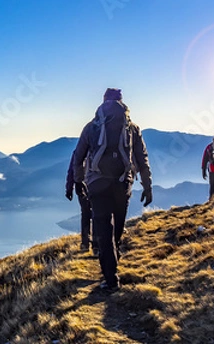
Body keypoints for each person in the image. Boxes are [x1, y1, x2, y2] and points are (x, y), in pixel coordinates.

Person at [72, 88, 152, 292]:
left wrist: (79, 181)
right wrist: (147, 185)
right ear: (122, 102)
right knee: (117, 229)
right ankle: (112, 266)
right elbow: (142, 158)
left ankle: (111, 278)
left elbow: (78, 156)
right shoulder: (132, 128)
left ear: (103, 101)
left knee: (103, 231)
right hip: (123, 183)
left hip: (97, 184)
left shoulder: (91, 127)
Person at [66, 151, 99, 256]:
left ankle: (85, 243)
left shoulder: (78, 151)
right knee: (96, 214)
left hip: (81, 187)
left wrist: (69, 188)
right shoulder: (99, 148)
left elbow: (71, 170)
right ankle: (96, 245)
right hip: (96, 185)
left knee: (85, 213)